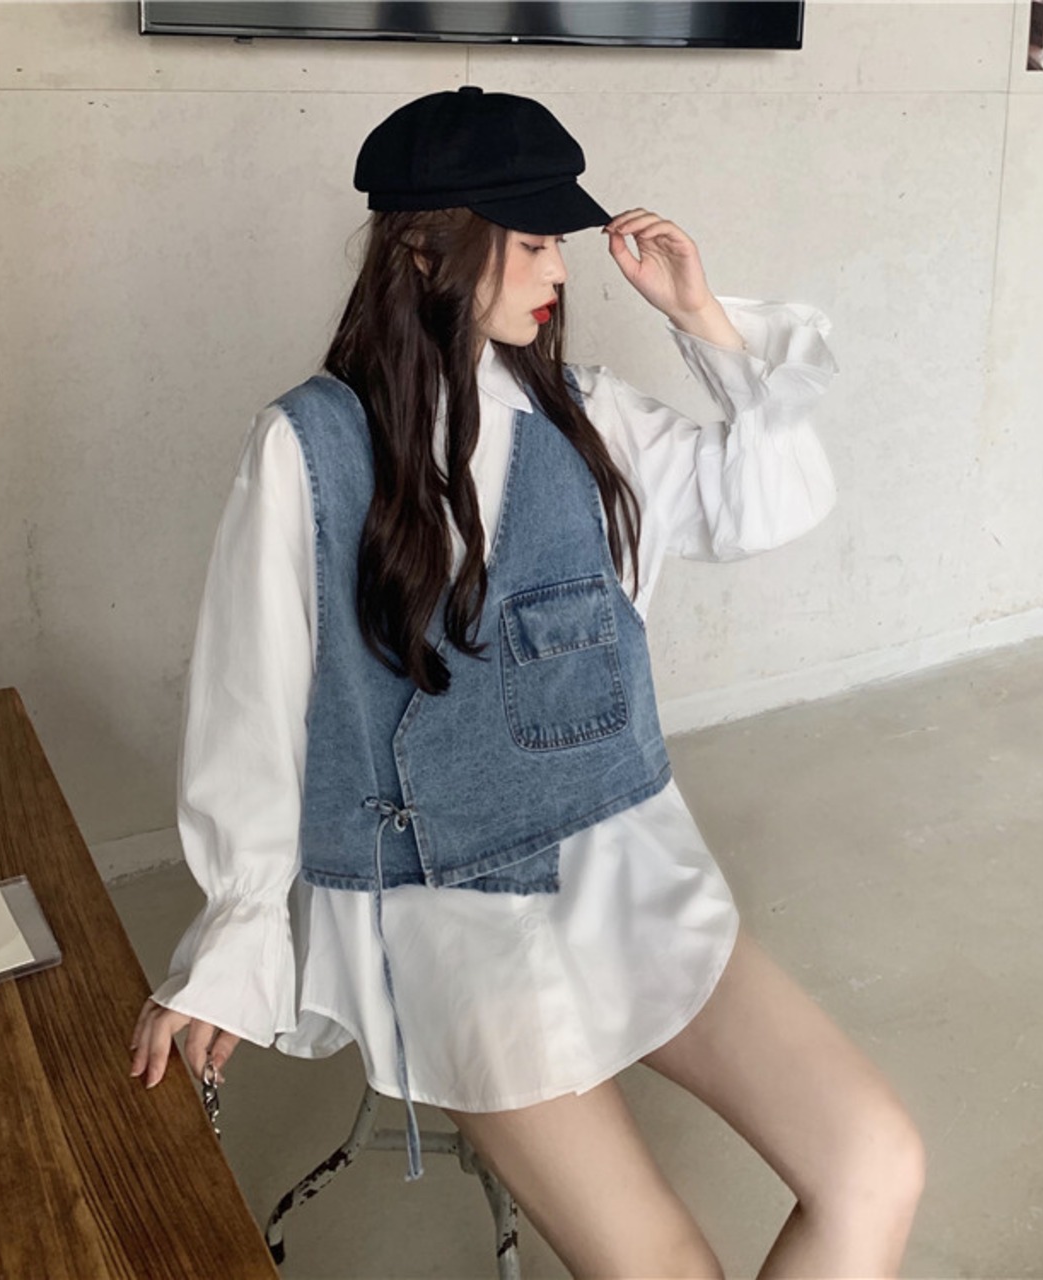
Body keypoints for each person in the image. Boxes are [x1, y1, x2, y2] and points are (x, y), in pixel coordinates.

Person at [130, 87, 924, 1278]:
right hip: (442, 913)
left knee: (876, 1160)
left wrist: (699, 317)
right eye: (533, 239)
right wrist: (232, 948)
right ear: (423, 248)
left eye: (559, 238)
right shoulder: (309, 447)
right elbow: (252, 712)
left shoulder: (585, 414)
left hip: (620, 860)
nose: (560, 268)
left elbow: (768, 502)